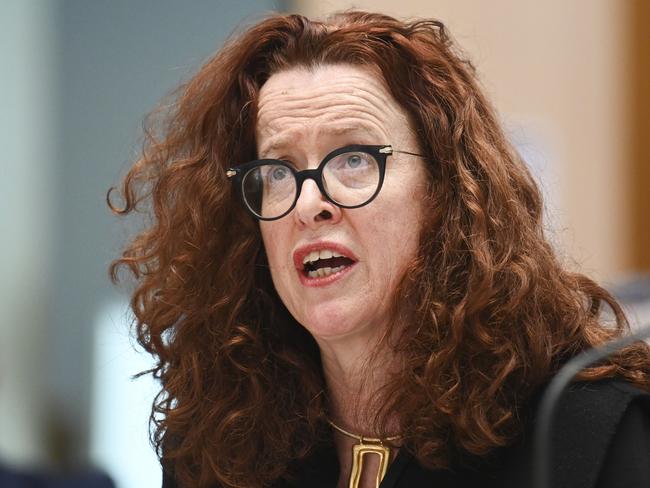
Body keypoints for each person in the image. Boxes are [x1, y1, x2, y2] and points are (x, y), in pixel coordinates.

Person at [109, 11, 650, 488]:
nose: (309, 204)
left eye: (354, 158)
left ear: (446, 192)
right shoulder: (216, 446)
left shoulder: (588, 428)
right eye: (277, 171)